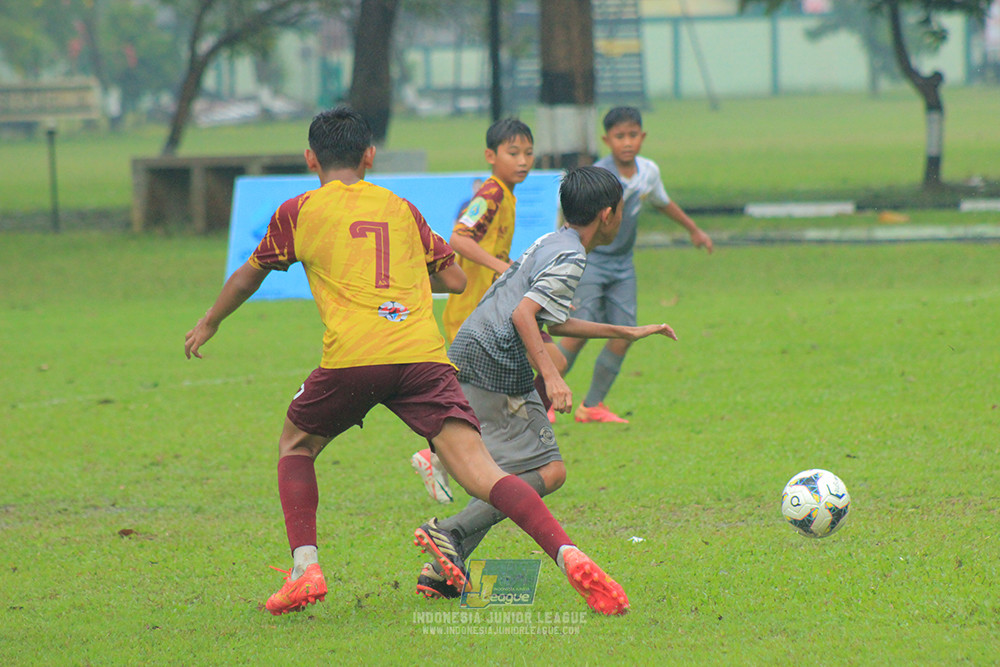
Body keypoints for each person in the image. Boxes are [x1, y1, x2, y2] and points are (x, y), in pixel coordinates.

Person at [184, 105, 629, 617]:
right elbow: (455, 279)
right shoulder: (400, 207)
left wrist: (212, 320)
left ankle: (305, 567)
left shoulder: (298, 210)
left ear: (311, 159)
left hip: (354, 357)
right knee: (483, 473)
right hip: (423, 355)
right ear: (370, 156)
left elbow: (250, 273)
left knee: (296, 444)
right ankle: (569, 554)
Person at [414, 166, 677, 607]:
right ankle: (451, 532)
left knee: (504, 475)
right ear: (609, 214)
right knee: (548, 472)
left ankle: (442, 569)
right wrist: (553, 378)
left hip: (471, 350)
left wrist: (624, 331)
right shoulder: (573, 256)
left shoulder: (553, 240)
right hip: (498, 365)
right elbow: (523, 315)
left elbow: (544, 314)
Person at [410, 118, 565, 504]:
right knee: (473, 397)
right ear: (490, 157)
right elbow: (460, 238)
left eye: (528, 153)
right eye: (514, 153)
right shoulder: (492, 193)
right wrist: (504, 270)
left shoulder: (507, 195)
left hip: (497, 309)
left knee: (553, 363)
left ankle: (478, 445)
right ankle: (440, 454)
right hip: (473, 314)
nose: (523, 161)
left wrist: (518, 274)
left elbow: (494, 254)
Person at [556, 106, 713, 424]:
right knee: (578, 330)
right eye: (619, 136)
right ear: (607, 139)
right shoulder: (600, 176)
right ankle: (543, 400)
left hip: (623, 265)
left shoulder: (648, 172)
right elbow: (572, 218)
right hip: (593, 261)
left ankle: (592, 405)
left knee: (625, 332)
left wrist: (693, 229)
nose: (626, 142)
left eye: (632, 135)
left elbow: (663, 202)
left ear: (642, 137)